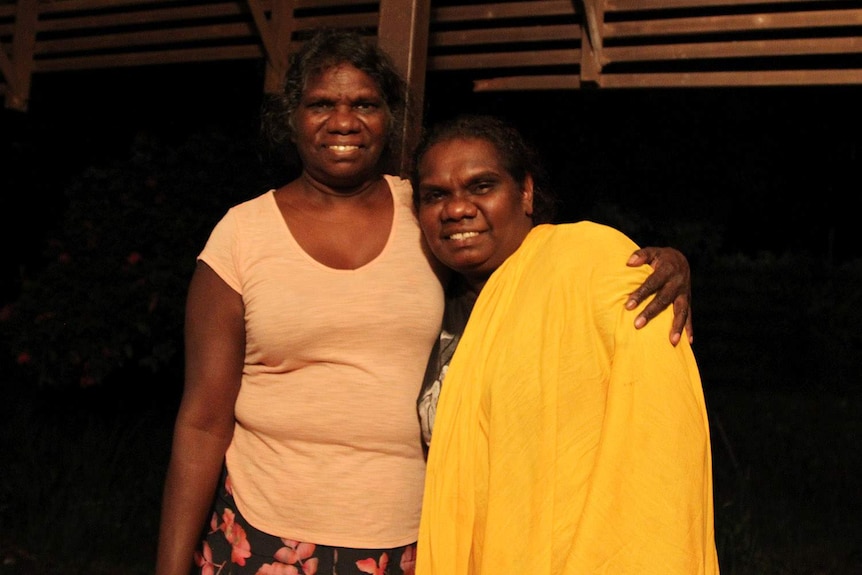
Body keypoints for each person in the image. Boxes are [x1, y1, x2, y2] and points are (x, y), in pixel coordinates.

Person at [155, 29, 695, 575]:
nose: (343, 122)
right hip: (262, 534)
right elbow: (201, 422)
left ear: (390, 117)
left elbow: (532, 265)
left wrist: (665, 261)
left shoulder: (425, 208)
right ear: (292, 116)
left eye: (365, 104)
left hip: (419, 541)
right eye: (321, 104)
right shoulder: (243, 235)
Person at [412, 115, 719, 574]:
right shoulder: (427, 298)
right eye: (436, 195)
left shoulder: (590, 264)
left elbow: (657, 440)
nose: (457, 208)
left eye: (481, 186)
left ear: (526, 192)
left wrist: (670, 263)